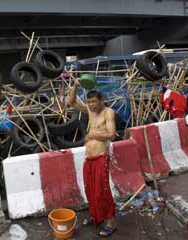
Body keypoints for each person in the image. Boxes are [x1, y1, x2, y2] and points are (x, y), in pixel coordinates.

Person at [67, 78, 117, 237]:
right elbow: (71, 102)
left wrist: (92, 134)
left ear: (101, 100)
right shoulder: (90, 111)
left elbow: (112, 135)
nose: (91, 105)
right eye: (89, 102)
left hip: (102, 157)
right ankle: (95, 215)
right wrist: (75, 86)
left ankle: (111, 222)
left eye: (94, 101)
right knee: (90, 190)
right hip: (89, 158)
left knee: (101, 190)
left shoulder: (108, 112)